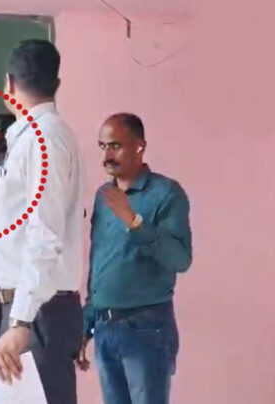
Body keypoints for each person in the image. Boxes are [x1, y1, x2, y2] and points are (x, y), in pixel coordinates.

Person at [0, 39, 85, 404]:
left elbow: (45, 234)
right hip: (29, 309)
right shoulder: (31, 137)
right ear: (56, 84)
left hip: (38, 312)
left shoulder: (44, 140)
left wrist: (21, 321)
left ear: (9, 83)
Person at [76, 113, 192, 404]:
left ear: (139, 146)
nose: (106, 156)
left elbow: (181, 259)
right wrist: (86, 324)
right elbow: (100, 262)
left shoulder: (166, 193)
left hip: (146, 329)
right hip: (105, 327)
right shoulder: (104, 195)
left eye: (115, 146)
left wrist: (135, 222)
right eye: (102, 146)